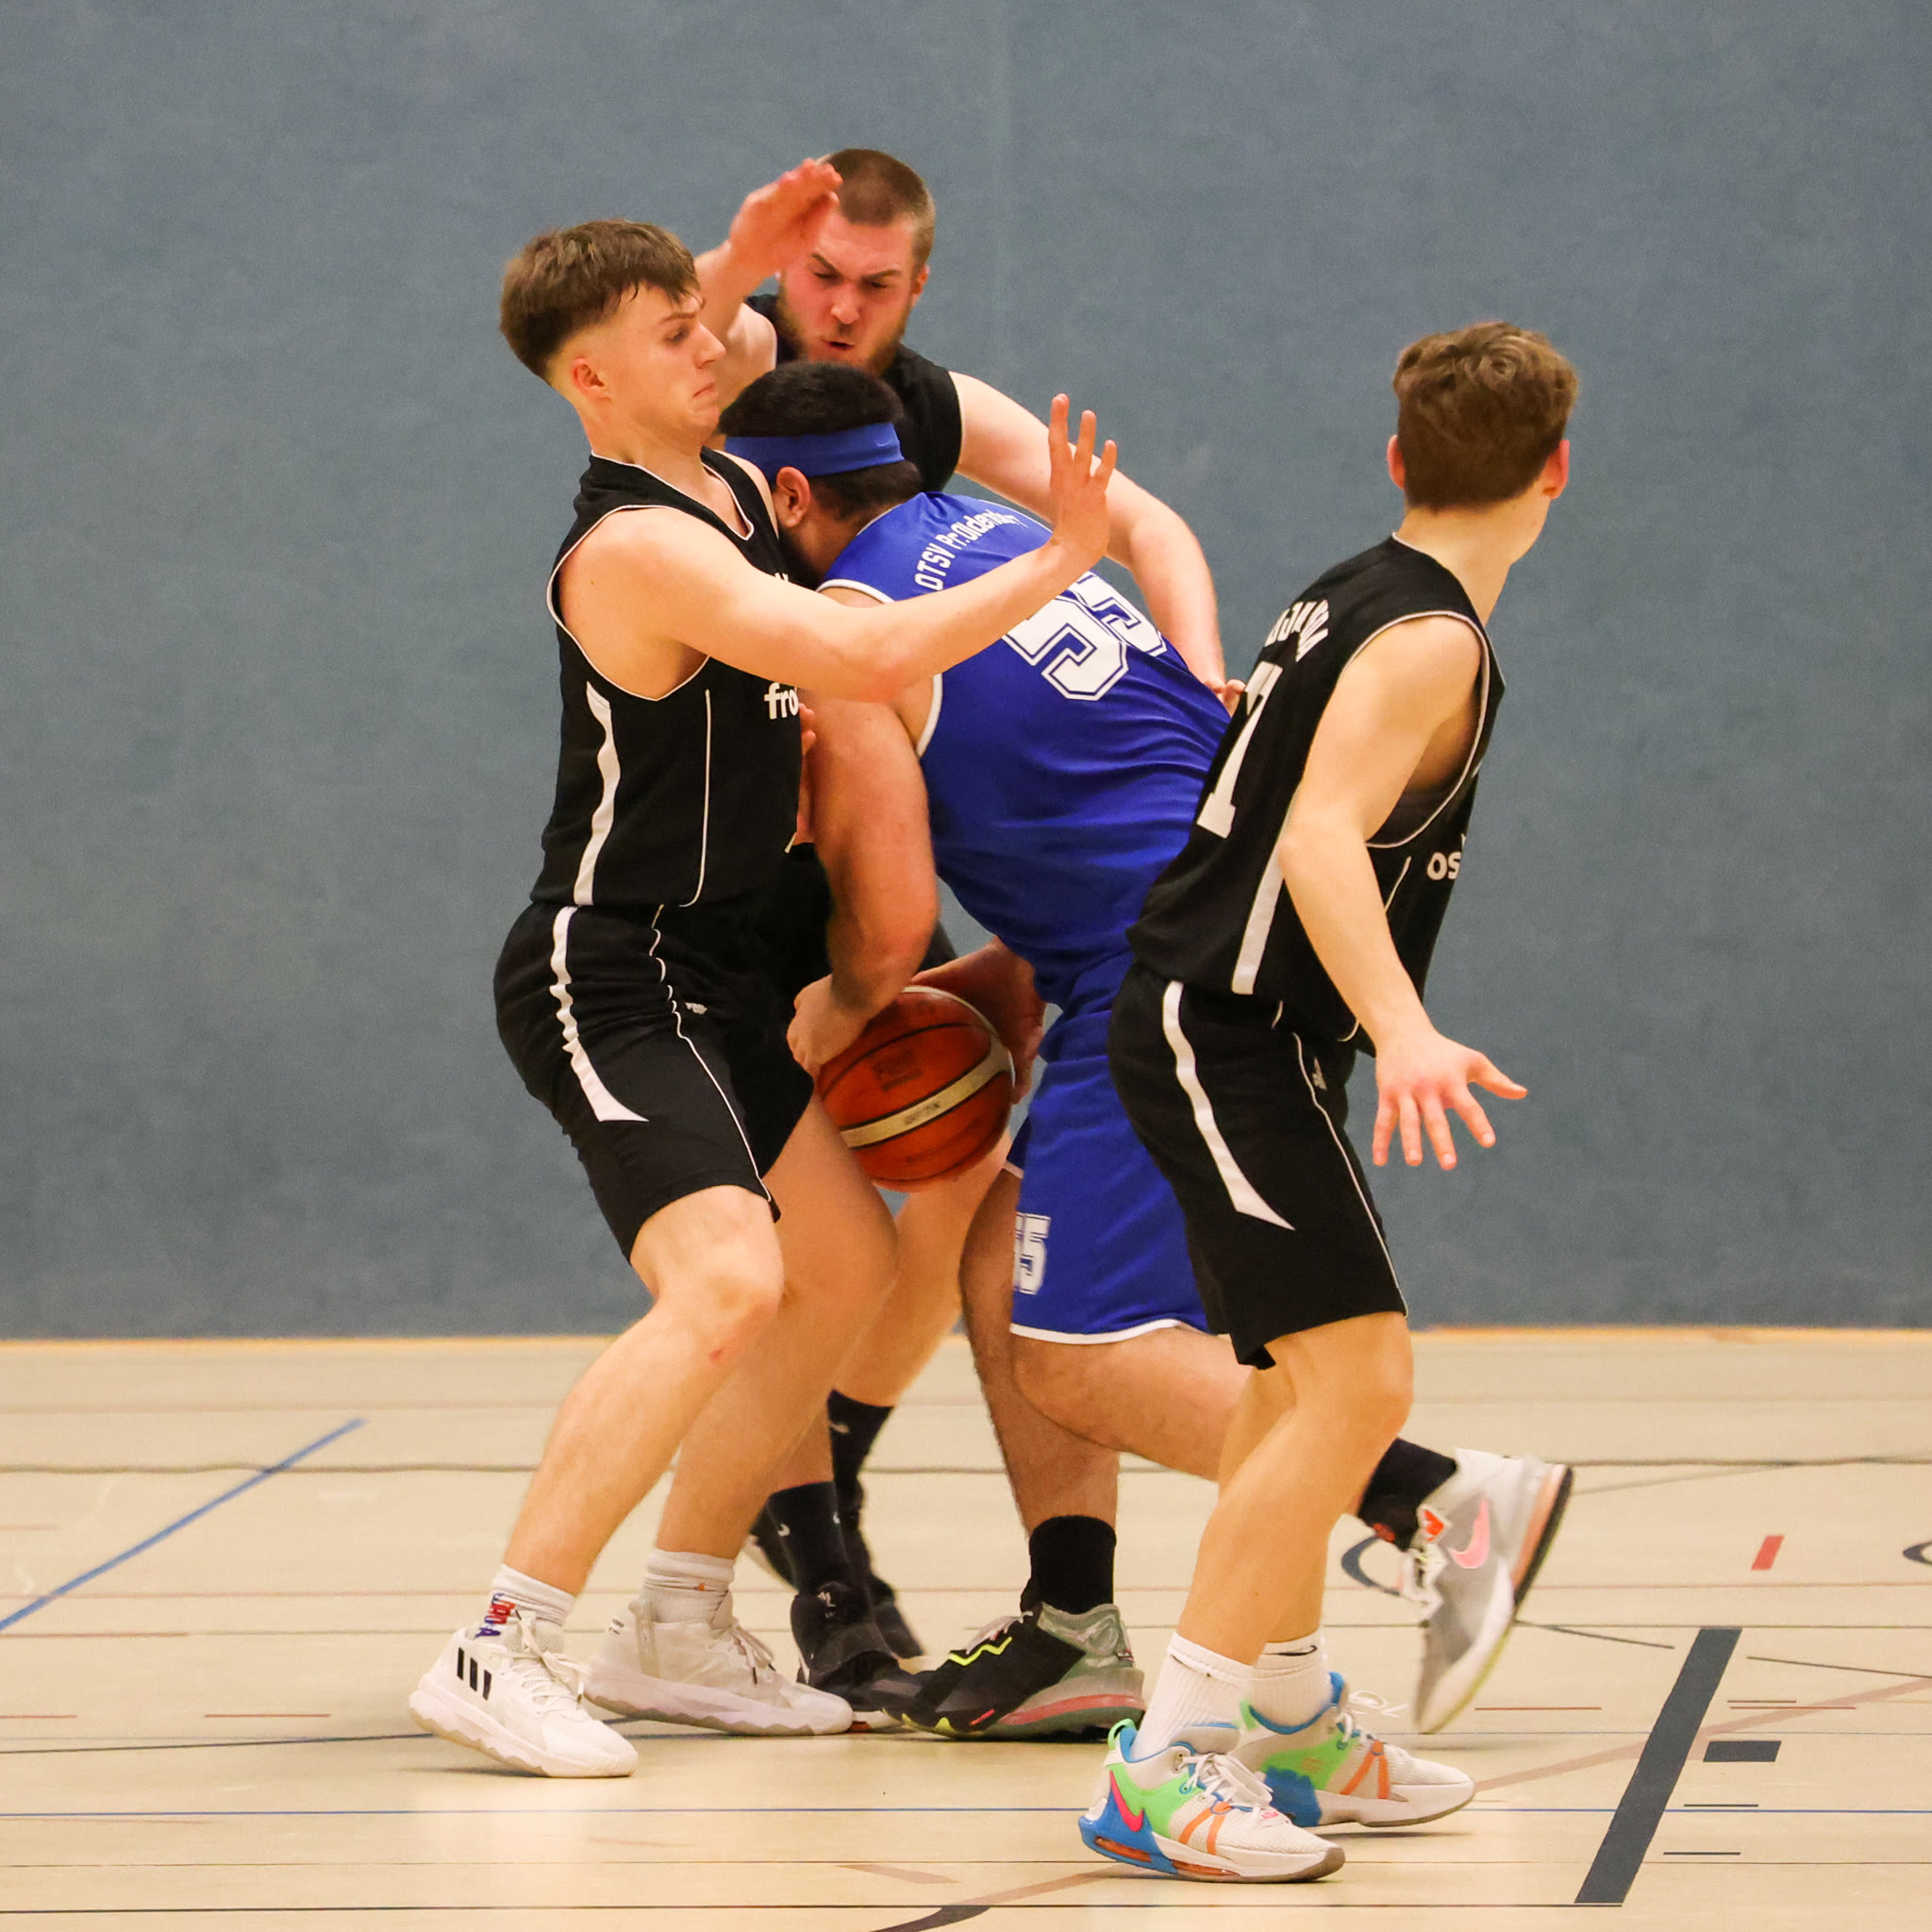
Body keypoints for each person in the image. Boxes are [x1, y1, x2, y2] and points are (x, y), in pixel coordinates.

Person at [714, 360, 1570, 1768]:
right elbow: (1097, 781)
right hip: (1202, 932)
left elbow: (893, 914)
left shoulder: (851, 631)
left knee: (1080, 1362)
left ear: (790, 497)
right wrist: (1007, 980)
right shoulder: (997, 536)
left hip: (1161, 978)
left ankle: (1436, 1499)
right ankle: (1078, 1626)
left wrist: (835, 1019)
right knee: (1006, 1262)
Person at [405, 216, 1119, 1777]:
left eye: (706, 320)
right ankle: (502, 1640)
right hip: (611, 971)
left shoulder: (729, 487)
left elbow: (709, 333)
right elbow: (848, 661)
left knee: (841, 1265)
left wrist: (726, 257)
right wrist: (1061, 559)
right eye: (676, 334)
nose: (720, 341)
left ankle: (676, 1620)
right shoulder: (638, 547)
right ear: (593, 382)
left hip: (721, 970)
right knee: (728, 1281)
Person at [700, 148, 1235, 1651]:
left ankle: (841, 1468)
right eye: (819, 275)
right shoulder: (719, 369)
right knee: (813, 1227)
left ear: (916, 286)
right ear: (779, 272)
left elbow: (1150, 525)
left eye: (876, 284)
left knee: (957, 1185)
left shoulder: (922, 427)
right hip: (788, 839)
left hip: (916, 819)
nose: (844, 306)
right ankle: (840, 1556)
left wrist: (1198, 666)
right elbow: (632, 346)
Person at [1089, 321, 1577, 1879]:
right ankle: (1163, 1766)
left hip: (1248, 1031)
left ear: (1397, 459)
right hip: (1225, 1030)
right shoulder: (1431, 640)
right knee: (1362, 1384)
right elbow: (1314, 837)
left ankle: (1291, 1721)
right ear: (1557, 473)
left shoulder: (1353, 587)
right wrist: (1408, 1029)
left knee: (1296, 1391)